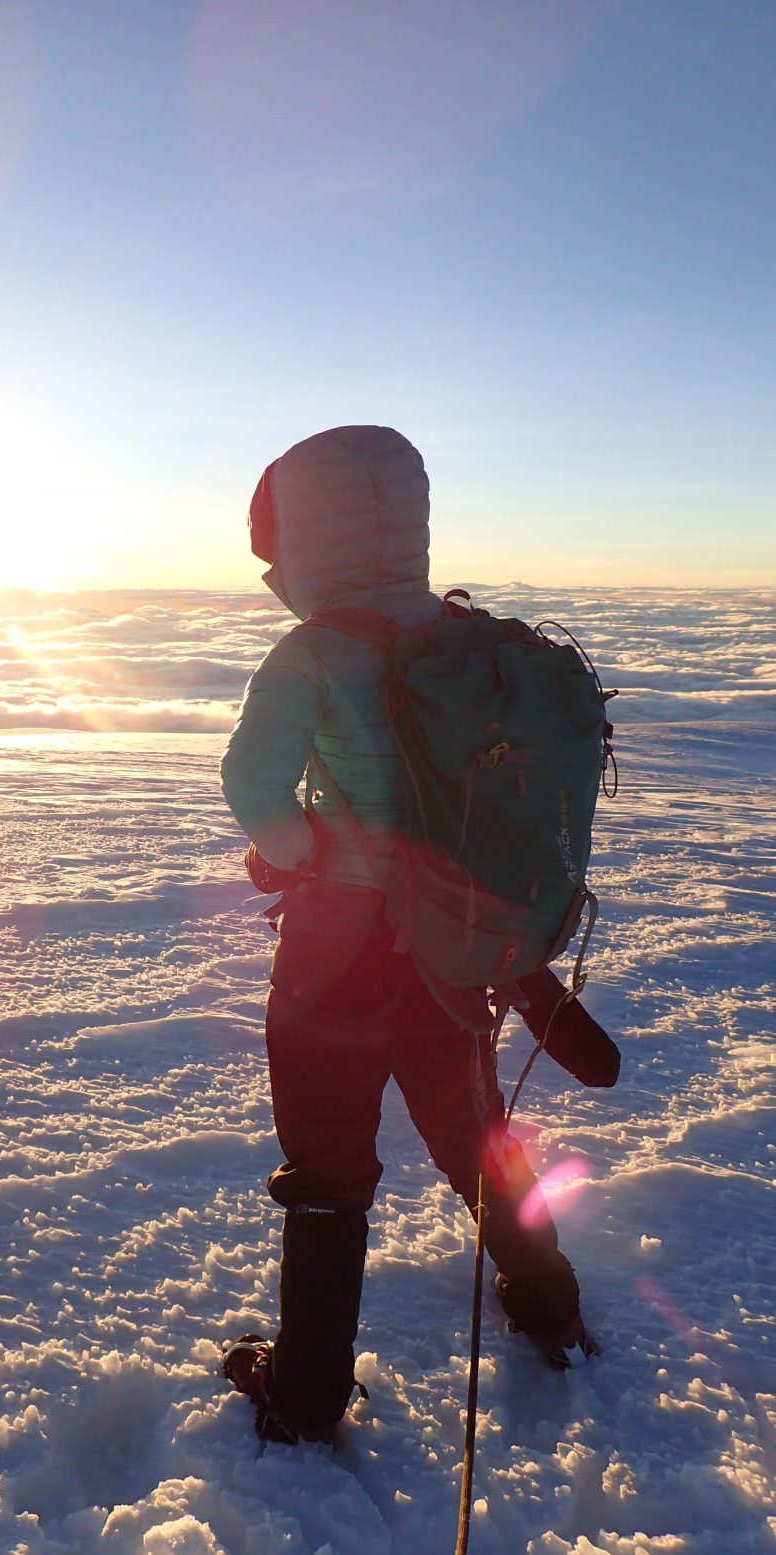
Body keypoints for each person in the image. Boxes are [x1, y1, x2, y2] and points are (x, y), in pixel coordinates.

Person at [219, 425, 618, 1445]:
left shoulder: (311, 651)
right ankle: (547, 1303)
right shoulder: (461, 636)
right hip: (449, 946)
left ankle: (305, 1394)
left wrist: (297, 848)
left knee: (328, 1170)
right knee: (472, 1134)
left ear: (303, 535)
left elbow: (252, 792)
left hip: (334, 953)